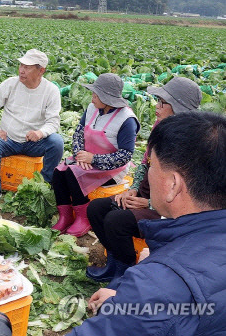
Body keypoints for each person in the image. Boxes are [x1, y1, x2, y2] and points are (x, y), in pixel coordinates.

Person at [69, 111, 226, 335]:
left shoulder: (156, 285)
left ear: (173, 185)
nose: (148, 173)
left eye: (152, 166)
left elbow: (157, 305)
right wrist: (120, 298)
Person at [86, 77, 202, 287]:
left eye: (162, 103)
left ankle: (126, 269)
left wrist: (149, 204)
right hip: (149, 194)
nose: (156, 107)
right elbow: (144, 164)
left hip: (170, 206)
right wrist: (132, 190)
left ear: (178, 108)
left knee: (116, 221)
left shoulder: (192, 143)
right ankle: (113, 262)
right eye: (157, 101)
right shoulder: (159, 127)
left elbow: (185, 191)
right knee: (96, 208)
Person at [51, 73, 139, 237]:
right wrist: (79, 155)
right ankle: (66, 216)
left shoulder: (127, 119)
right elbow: (78, 134)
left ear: (107, 98)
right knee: (58, 172)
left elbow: (125, 156)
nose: (92, 98)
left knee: (72, 174)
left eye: (96, 95)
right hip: (85, 160)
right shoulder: (93, 108)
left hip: (111, 169)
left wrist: (94, 159)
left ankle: (84, 218)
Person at [0, 49, 64, 203]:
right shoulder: (10, 84)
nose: (21, 70)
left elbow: (53, 121)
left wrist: (40, 133)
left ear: (41, 71)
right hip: (8, 140)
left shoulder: (51, 90)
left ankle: (44, 184)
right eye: (21, 65)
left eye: (27, 67)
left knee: (56, 142)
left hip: (34, 143)